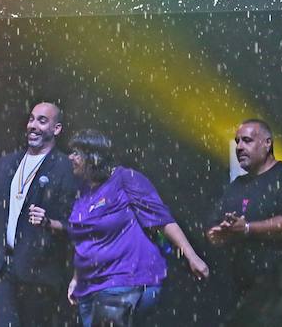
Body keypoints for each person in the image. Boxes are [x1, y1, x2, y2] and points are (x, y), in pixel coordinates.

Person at [0, 101, 79, 326]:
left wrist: (48, 222)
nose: (33, 125)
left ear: (56, 129)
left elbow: (74, 225)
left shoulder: (64, 167)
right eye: (31, 119)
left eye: (42, 120)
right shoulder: (8, 163)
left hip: (39, 276)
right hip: (3, 271)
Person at [64, 129, 209, 326]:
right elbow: (84, 240)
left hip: (125, 278)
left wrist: (192, 256)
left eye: (76, 153)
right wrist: (76, 279)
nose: (70, 157)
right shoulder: (82, 191)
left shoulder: (125, 178)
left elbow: (161, 219)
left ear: (93, 156)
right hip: (89, 286)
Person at [205, 119, 282, 297]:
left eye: (247, 140)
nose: (239, 147)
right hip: (244, 292)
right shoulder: (235, 187)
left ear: (267, 143)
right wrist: (219, 233)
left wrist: (247, 229)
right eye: (237, 141)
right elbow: (213, 228)